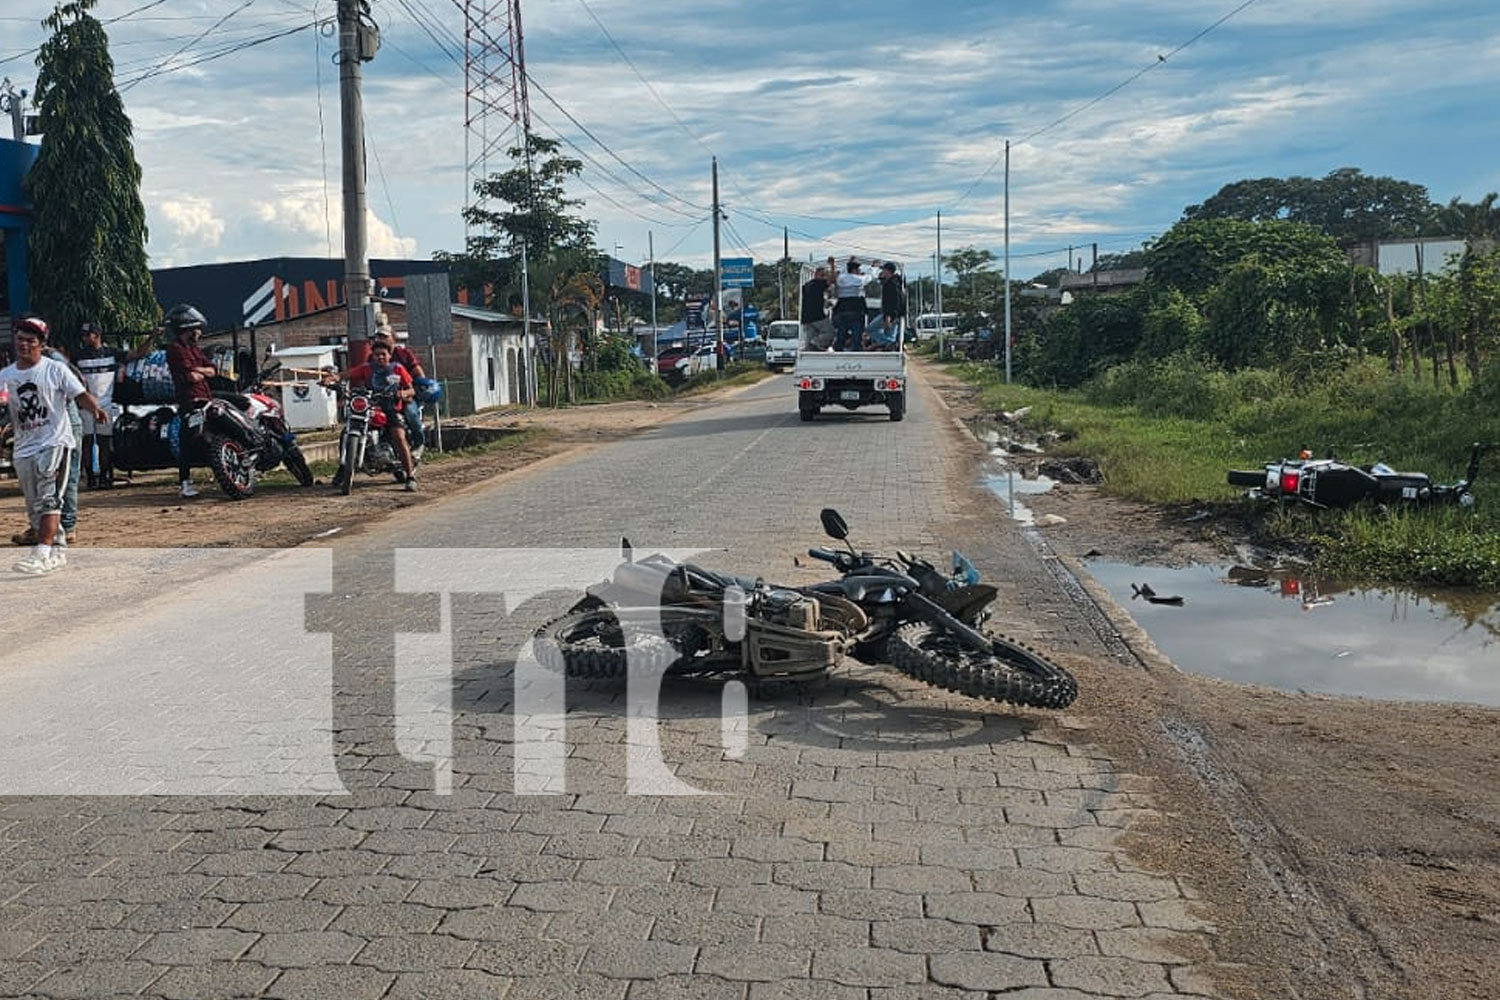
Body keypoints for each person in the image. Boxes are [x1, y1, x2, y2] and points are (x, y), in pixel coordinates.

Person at [0, 315, 109, 576]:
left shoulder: (55, 369)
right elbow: (3, 408)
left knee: (50, 499)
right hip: (25, 447)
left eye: (30, 341)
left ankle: (41, 553)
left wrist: (95, 409)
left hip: (55, 441)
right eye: (20, 340)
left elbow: (79, 393)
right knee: (35, 504)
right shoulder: (6, 375)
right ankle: (57, 550)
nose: (24, 345)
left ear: (41, 344)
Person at [333, 340, 418, 491]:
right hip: (371, 407)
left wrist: (402, 393)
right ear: (372, 356)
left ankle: (410, 476)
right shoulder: (367, 369)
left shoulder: (397, 369)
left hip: (391, 408)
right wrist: (333, 379)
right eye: (377, 354)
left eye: (383, 354)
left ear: (389, 355)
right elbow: (346, 374)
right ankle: (343, 468)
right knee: (346, 431)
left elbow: (411, 390)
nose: (380, 357)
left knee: (398, 436)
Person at [164, 303, 216, 499]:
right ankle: (184, 482)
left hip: (207, 397)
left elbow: (212, 370)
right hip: (190, 401)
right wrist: (201, 373)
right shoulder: (175, 349)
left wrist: (201, 372)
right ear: (187, 329)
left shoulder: (195, 349)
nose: (199, 333)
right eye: (196, 329)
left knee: (238, 404)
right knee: (189, 438)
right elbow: (190, 377)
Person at [75, 321, 127, 488]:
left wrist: (151, 338)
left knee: (104, 442)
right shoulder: (79, 355)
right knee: (87, 442)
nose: (84, 338)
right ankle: (91, 478)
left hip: (105, 404)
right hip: (85, 405)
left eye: (87, 335)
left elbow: (135, 354)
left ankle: (104, 477)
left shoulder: (111, 353)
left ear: (96, 336)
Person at [372, 328, 427, 451]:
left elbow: (418, 372)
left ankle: (419, 443)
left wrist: (421, 387)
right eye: (379, 337)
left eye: (385, 337)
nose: (381, 340)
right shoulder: (373, 357)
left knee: (411, 413)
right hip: (380, 397)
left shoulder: (404, 354)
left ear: (393, 338)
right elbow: (362, 372)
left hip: (404, 396)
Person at [830, 257, 867, 352]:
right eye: (858, 269)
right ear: (855, 270)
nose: (859, 271)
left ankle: (839, 347)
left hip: (841, 309)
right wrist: (873, 268)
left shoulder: (841, 278)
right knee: (856, 333)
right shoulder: (859, 279)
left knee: (841, 332)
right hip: (855, 310)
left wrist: (833, 265)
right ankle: (856, 348)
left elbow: (836, 276)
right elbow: (869, 277)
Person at [799, 265, 834, 351]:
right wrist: (832, 265)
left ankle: (810, 350)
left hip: (806, 317)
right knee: (830, 333)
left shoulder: (807, 285)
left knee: (810, 339)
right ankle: (815, 342)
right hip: (817, 316)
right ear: (818, 275)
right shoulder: (819, 283)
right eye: (823, 275)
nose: (825, 277)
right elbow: (832, 280)